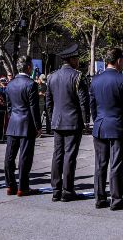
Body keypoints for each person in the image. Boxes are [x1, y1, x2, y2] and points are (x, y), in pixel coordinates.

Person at [89, 47, 123, 210]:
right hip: (118, 126)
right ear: (118, 60)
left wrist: (98, 121)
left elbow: (92, 106)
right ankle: (116, 199)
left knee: (100, 164)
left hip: (100, 125)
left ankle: (100, 198)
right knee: (117, 164)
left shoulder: (95, 80)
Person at [46, 43, 90, 202]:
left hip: (57, 121)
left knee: (57, 155)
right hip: (73, 121)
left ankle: (56, 190)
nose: (78, 61)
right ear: (71, 60)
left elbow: (48, 102)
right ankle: (67, 190)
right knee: (70, 156)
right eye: (76, 58)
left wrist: (51, 119)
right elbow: (83, 102)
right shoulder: (78, 76)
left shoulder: (52, 76)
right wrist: (86, 121)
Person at [4, 56, 42, 196]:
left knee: (9, 156)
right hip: (26, 124)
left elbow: (9, 106)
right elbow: (34, 108)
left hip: (13, 122)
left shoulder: (10, 84)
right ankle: (23, 187)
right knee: (25, 157)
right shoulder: (31, 84)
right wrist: (38, 126)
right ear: (29, 67)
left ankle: (10, 185)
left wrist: (12, 117)